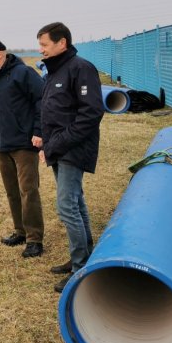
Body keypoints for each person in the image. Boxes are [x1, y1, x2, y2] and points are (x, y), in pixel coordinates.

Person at [36, 22, 104, 293]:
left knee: (66, 206)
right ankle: (85, 257)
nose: (40, 49)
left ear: (61, 43)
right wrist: (46, 141)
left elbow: (91, 113)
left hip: (73, 148)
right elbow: (52, 110)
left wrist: (60, 141)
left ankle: (79, 269)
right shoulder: (54, 71)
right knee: (76, 202)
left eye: (44, 45)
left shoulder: (81, 68)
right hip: (58, 147)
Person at [0, 39, 46, 258]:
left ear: (0, 54)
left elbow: (42, 102)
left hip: (24, 144)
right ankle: (20, 231)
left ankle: (35, 239)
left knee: (28, 191)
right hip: (2, 146)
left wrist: (38, 131)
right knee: (12, 192)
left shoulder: (24, 74)